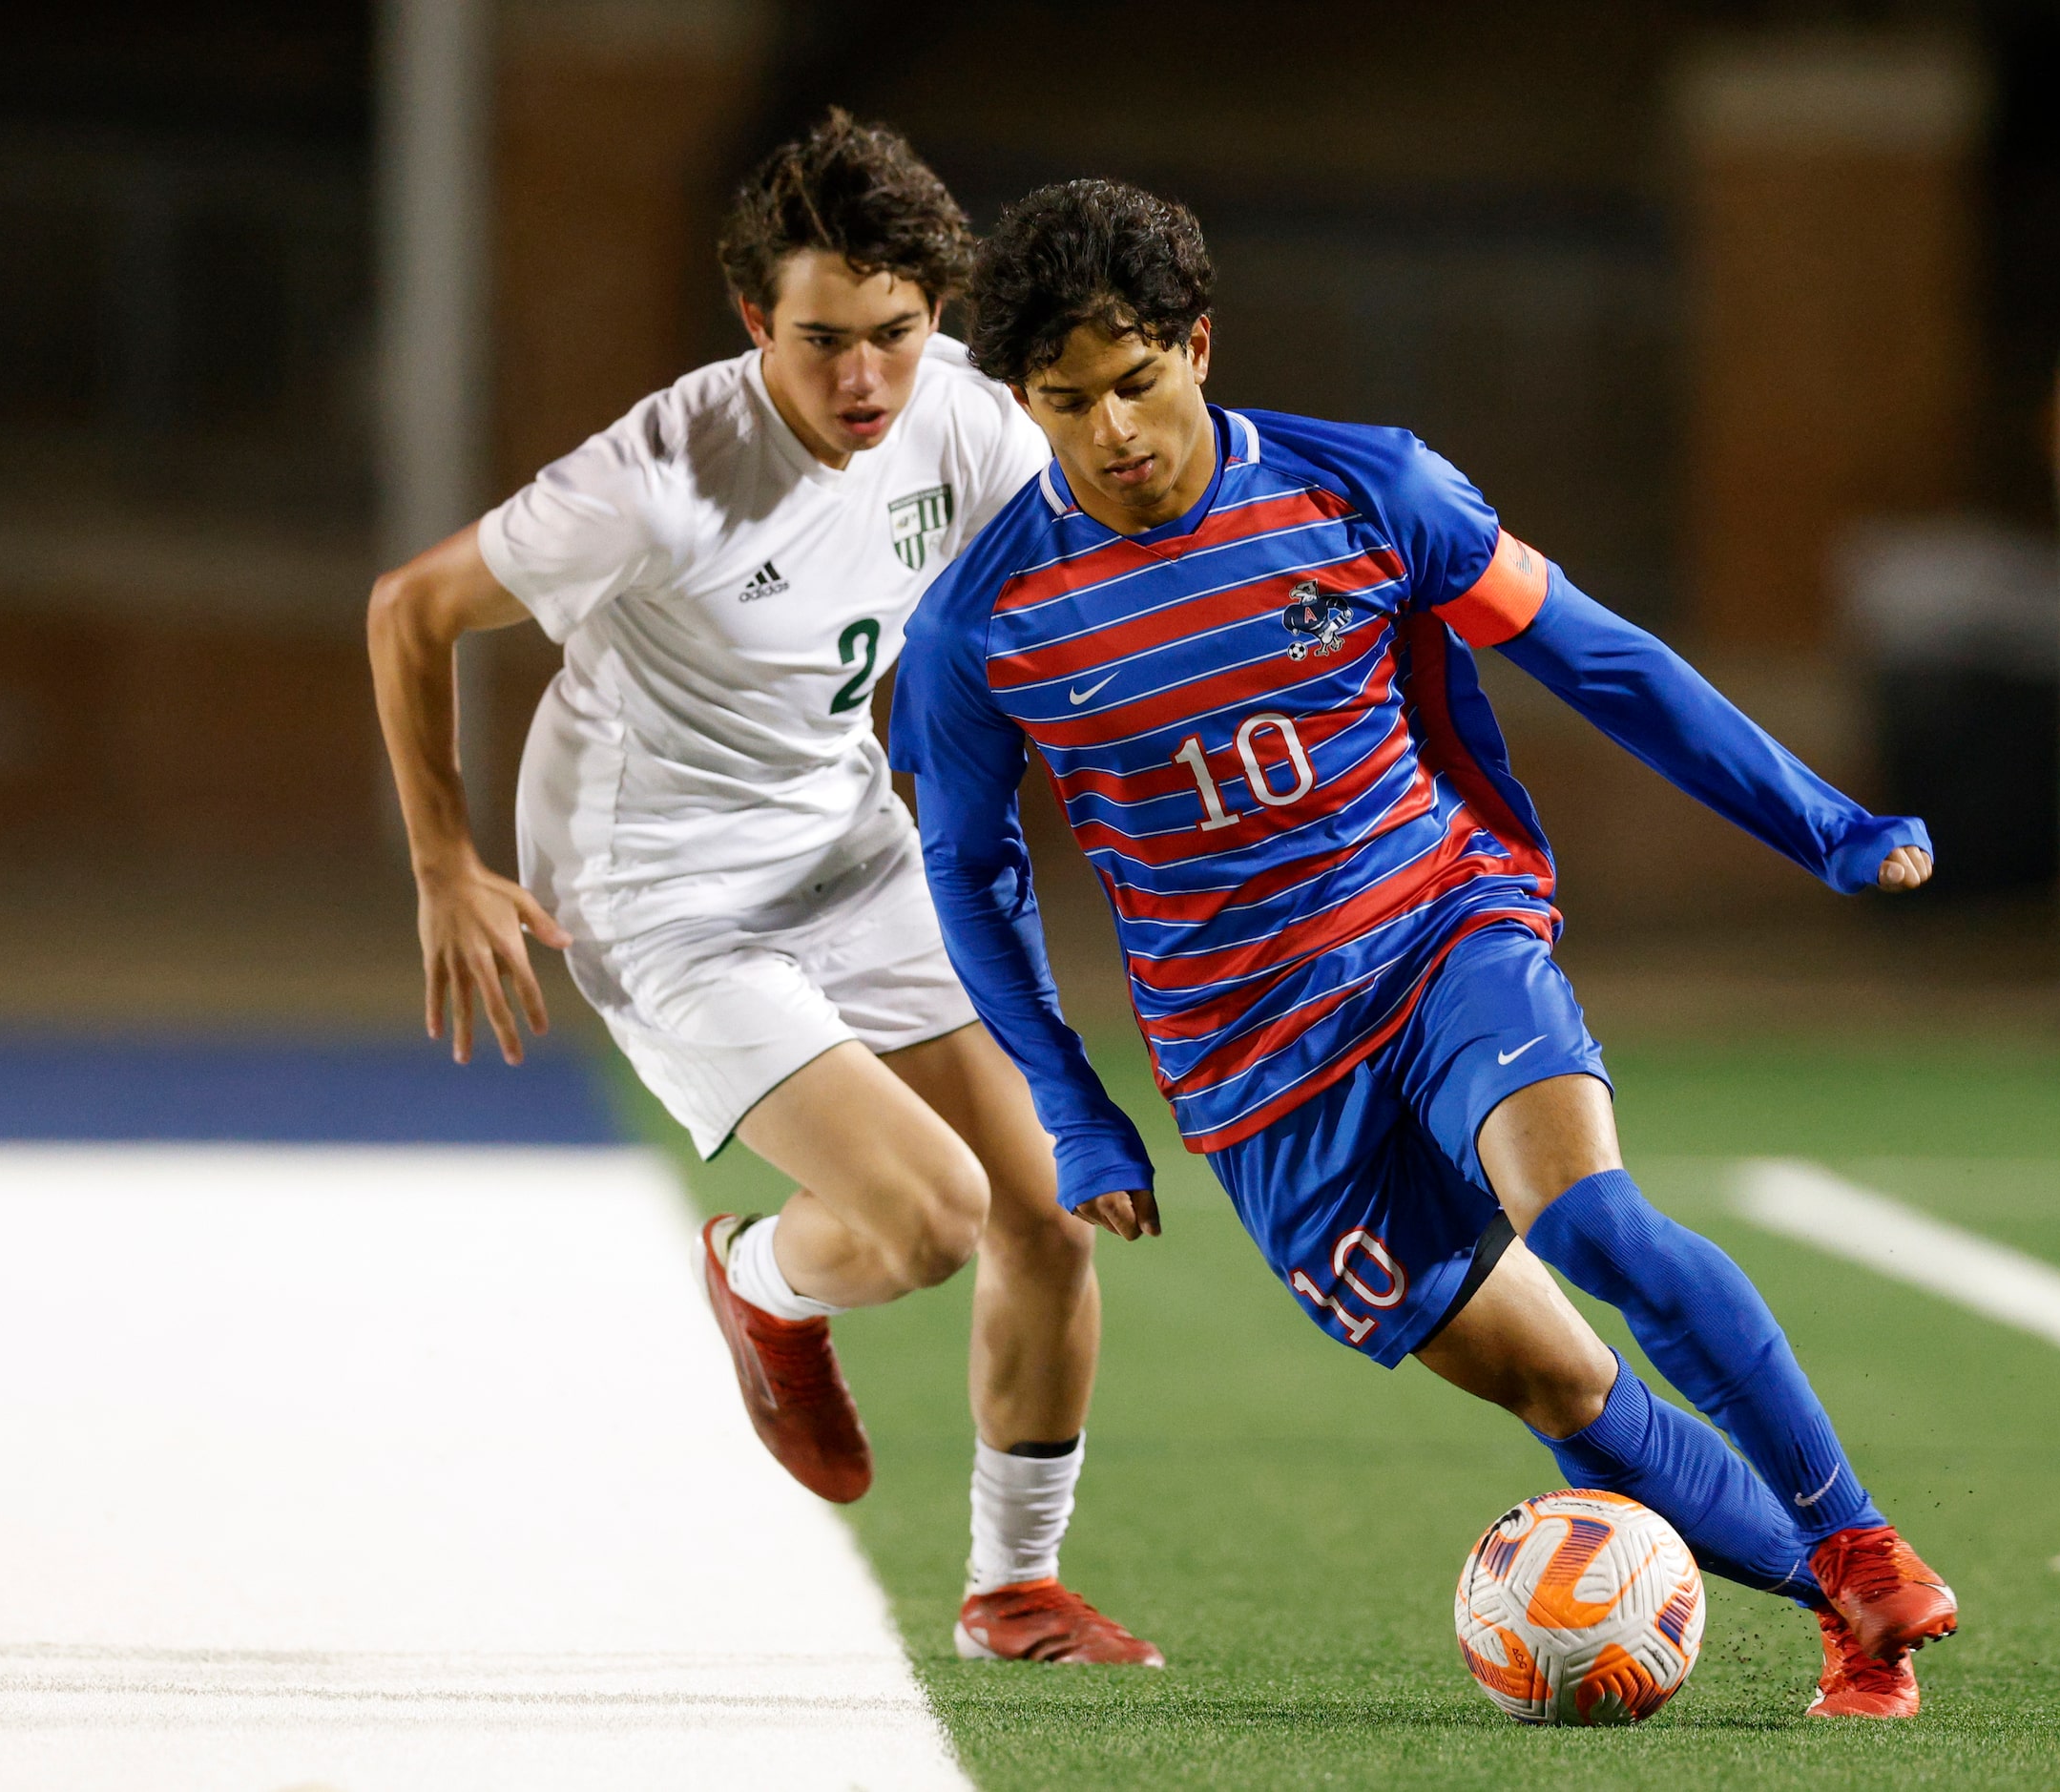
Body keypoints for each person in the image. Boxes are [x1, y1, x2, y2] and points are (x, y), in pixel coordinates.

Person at [890, 178, 1956, 1717]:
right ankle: (1850, 1606)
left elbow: (1601, 658)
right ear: (1021, 401)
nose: (1112, 431)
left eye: (1137, 382)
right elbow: (970, 874)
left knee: (1589, 1221)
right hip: (1250, 1069)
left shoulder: (1368, 487)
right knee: (1558, 1382)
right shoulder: (980, 627)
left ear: (1199, 344)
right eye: (1066, 403)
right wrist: (1070, 1100)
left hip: (1435, 930)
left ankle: (1856, 1540)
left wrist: (1824, 824)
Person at [364, 117, 1159, 1667]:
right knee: (931, 1216)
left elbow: (1080, 591)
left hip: (844, 843)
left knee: (1048, 1210)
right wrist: (443, 863)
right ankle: (755, 1276)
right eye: (819, 343)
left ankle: (1016, 1592)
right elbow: (412, 608)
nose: (862, 381)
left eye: (894, 337)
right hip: (659, 888)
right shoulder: (657, 477)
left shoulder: (974, 428)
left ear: (937, 317)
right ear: (753, 325)